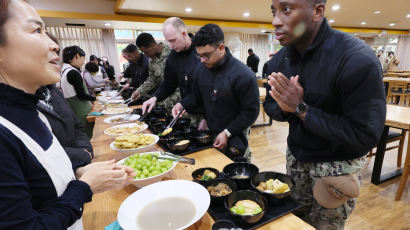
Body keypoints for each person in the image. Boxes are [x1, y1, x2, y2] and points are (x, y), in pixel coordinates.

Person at [0, 1, 135, 229]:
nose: (54, 45)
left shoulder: (33, 112)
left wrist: (82, 171)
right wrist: (84, 186)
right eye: (37, 30)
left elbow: (42, 179)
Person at [264, 0, 386, 229]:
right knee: (294, 222)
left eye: (286, 9)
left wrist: (300, 108)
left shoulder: (356, 58)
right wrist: (285, 105)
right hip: (296, 159)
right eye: (274, 11)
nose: (275, 21)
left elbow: (366, 135)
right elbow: (271, 107)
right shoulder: (280, 60)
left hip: (336, 169)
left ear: (317, 11)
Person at [172, 24, 260, 160]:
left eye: (206, 55)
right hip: (210, 134)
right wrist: (183, 104)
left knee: (234, 174)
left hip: (235, 135)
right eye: (199, 55)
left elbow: (250, 112)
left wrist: (227, 132)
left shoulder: (243, 75)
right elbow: (197, 96)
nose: (202, 60)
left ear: (221, 48)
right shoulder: (201, 69)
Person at [36, 33, 94, 166]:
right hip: (79, 107)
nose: (55, 48)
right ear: (77, 56)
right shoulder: (72, 72)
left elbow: (76, 128)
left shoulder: (51, 90)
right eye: (36, 30)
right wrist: (83, 155)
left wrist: (85, 152)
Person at [142, 17, 205, 128]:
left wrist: (207, 117)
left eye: (173, 40)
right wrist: (155, 97)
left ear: (184, 34)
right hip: (188, 111)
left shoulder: (202, 52)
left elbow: (212, 90)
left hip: (208, 114)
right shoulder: (173, 56)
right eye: (168, 41)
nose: (170, 46)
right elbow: (169, 83)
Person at [132, 32, 180, 113]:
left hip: (179, 102)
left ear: (153, 46)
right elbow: (152, 79)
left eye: (146, 52)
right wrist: (139, 91)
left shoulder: (173, 53)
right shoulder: (152, 61)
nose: (145, 55)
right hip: (164, 99)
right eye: (143, 53)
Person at [60, 46, 96, 137]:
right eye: (83, 58)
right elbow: (81, 94)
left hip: (75, 108)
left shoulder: (65, 71)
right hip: (80, 110)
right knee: (88, 134)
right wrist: (94, 98)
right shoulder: (72, 72)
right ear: (77, 56)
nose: (83, 62)